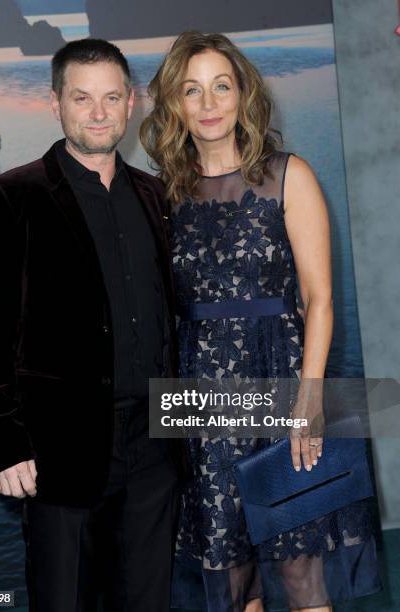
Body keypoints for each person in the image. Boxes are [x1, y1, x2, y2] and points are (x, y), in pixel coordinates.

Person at [140, 31, 381, 612]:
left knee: (303, 576)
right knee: (234, 579)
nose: (209, 102)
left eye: (221, 85)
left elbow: (319, 299)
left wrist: (312, 398)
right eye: (191, 90)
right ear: (174, 104)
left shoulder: (288, 175)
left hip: (285, 385)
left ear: (243, 92)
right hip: (204, 407)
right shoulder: (163, 195)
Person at [0, 38, 188, 612]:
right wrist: (5, 444)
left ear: (130, 103)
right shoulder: (11, 197)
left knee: (147, 598)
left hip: (156, 442)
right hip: (59, 449)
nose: (97, 112)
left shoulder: (155, 195)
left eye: (110, 97)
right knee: (64, 599)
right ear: (55, 103)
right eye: (81, 98)